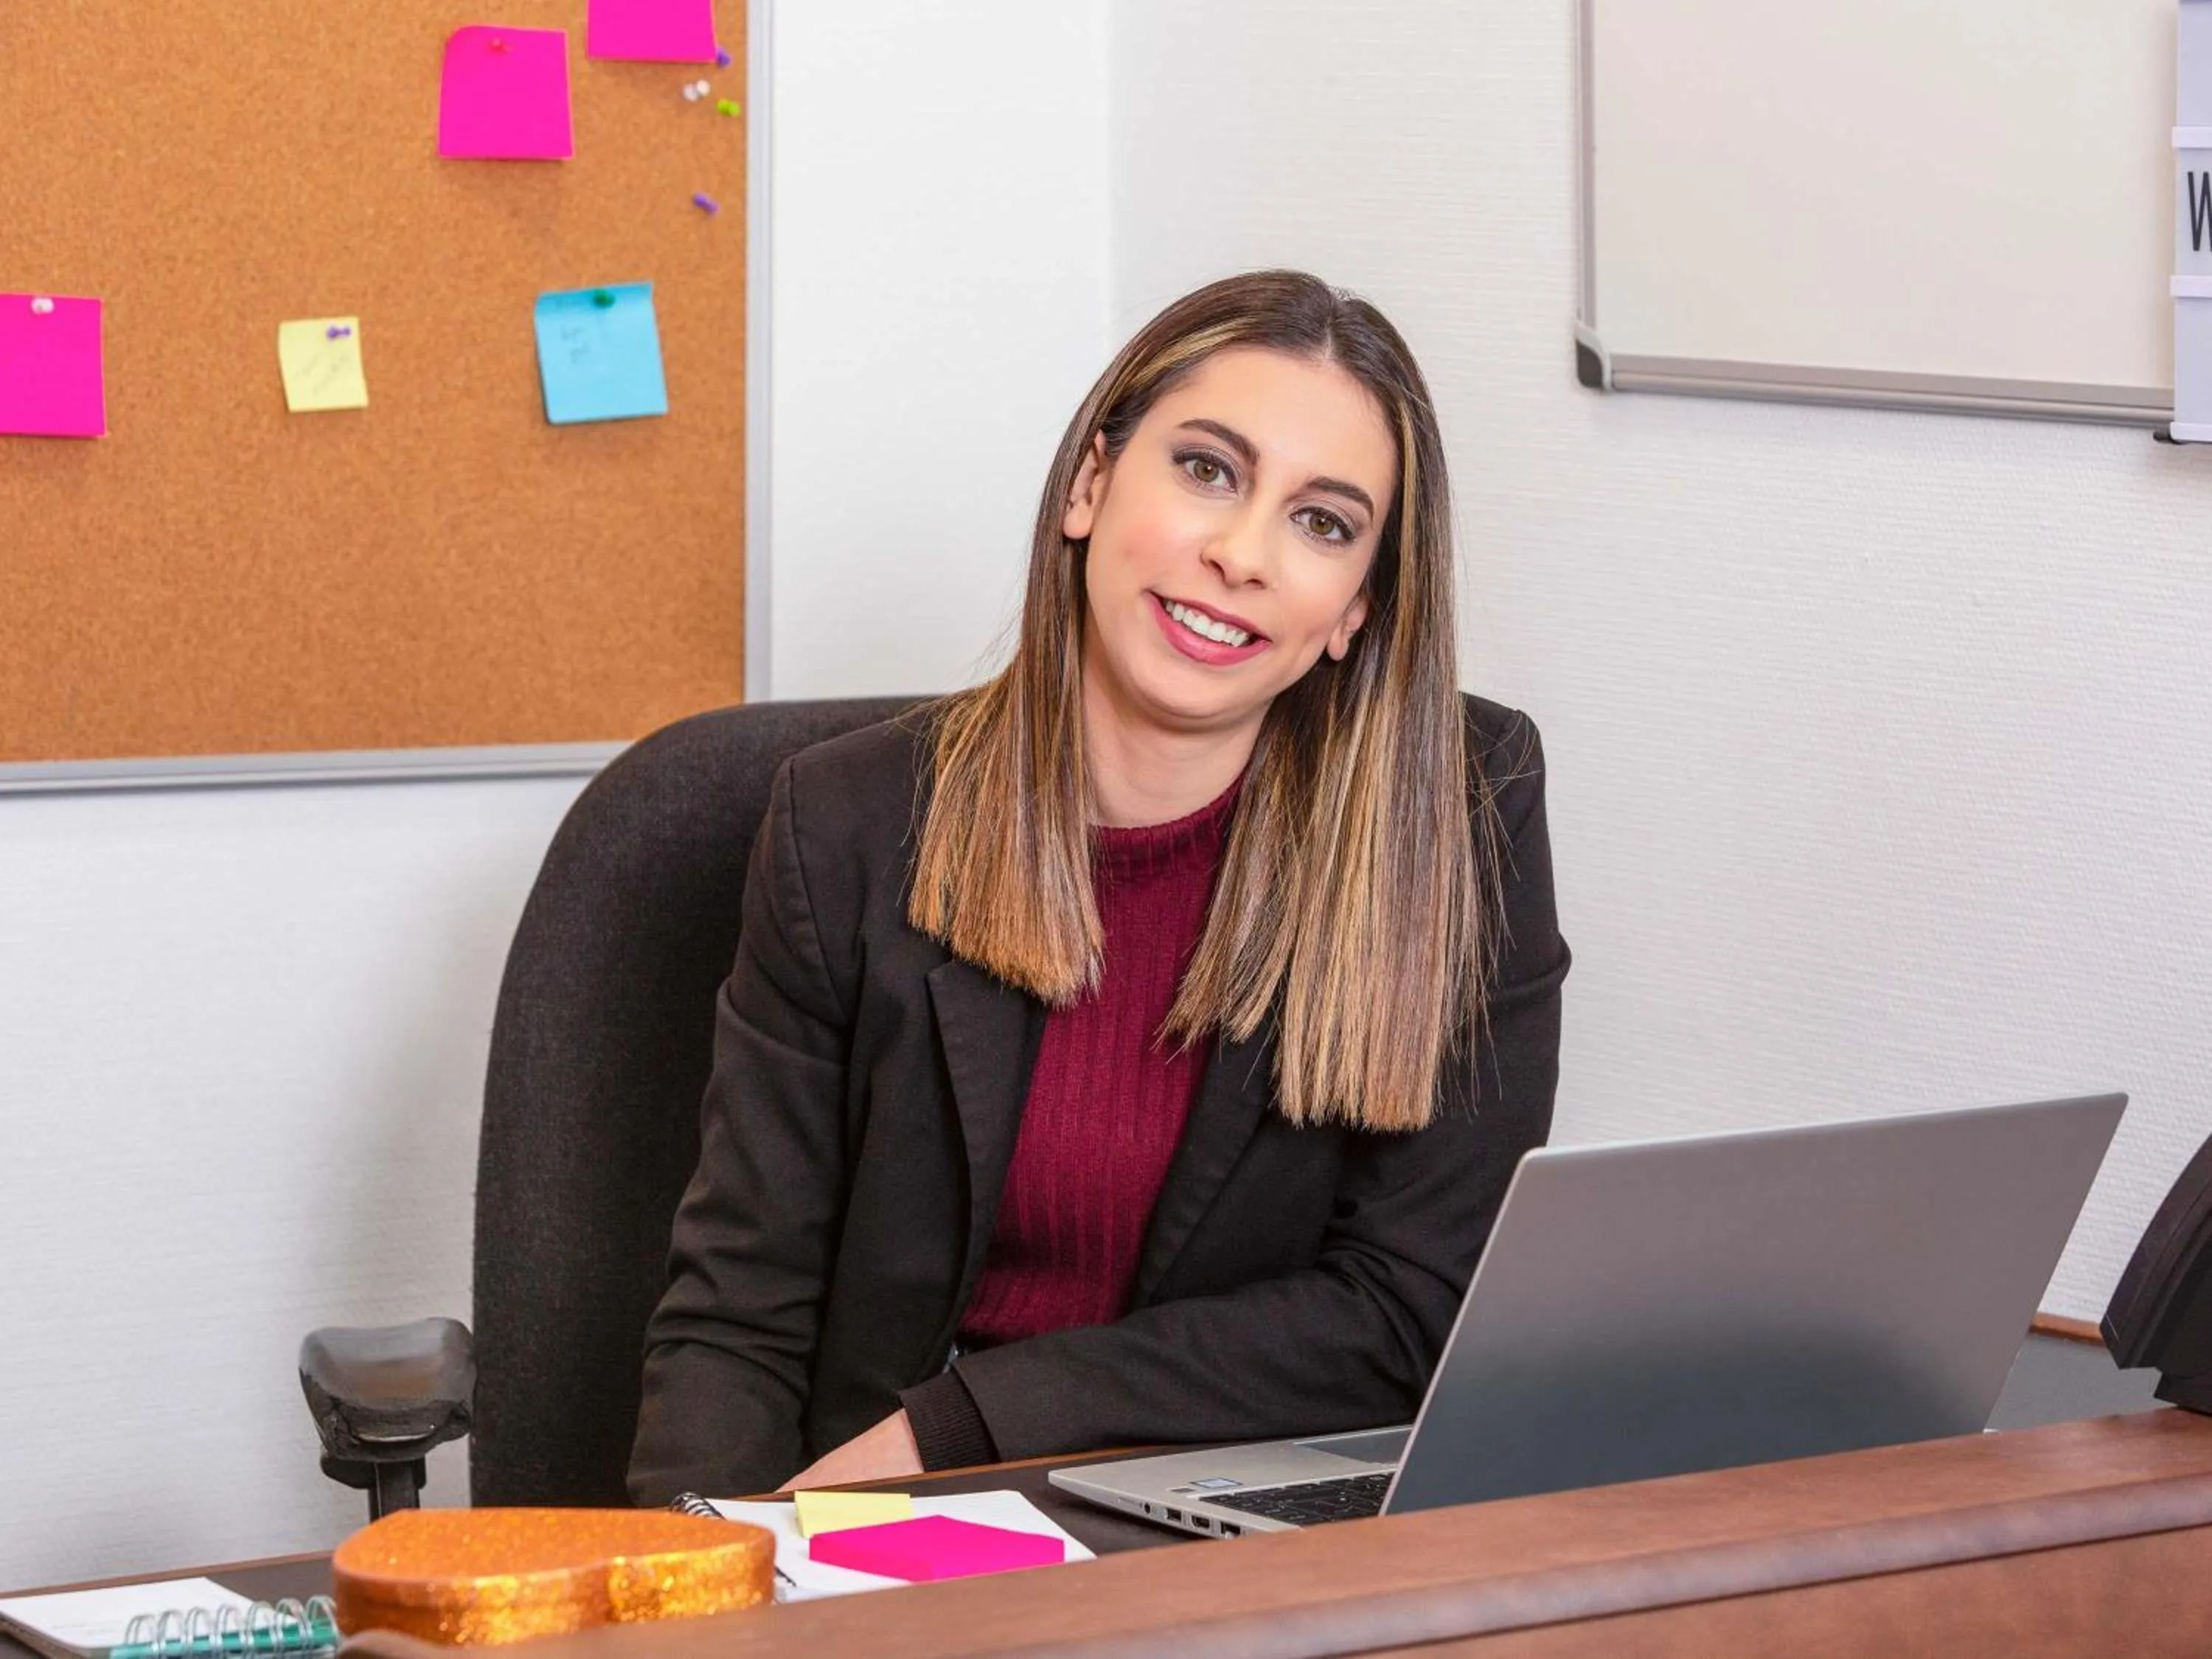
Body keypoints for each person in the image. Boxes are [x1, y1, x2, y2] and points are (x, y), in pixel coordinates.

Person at [627, 269, 1568, 1503]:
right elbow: (740, 1311)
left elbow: (1416, 1304)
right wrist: (709, 1584)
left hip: (1241, 1533)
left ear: (1354, 612)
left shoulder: (1455, 810)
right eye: (1207, 470)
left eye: (1323, 523)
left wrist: (967, 1423)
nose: (1241, 554)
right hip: (897, 1544)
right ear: (1089, 485)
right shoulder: (848, 824)